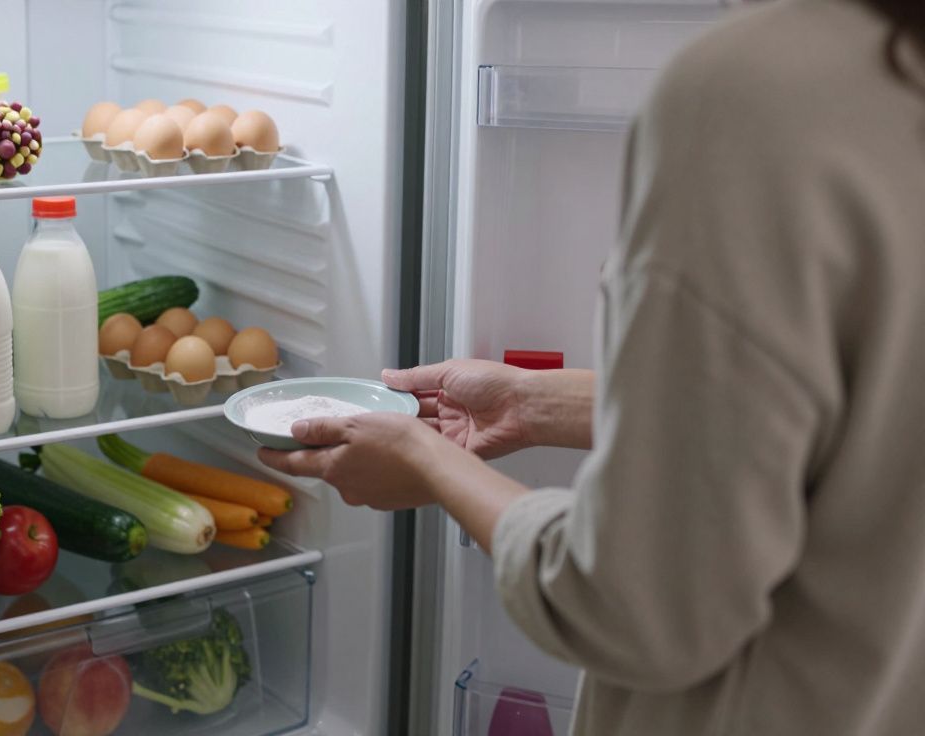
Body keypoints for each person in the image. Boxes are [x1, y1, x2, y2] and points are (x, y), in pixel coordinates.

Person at [259, 0, 925, 733]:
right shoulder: (892, 74)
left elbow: (639, 606)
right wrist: (535, 405)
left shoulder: (756, 91)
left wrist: (428, 463)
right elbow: (871, 423)